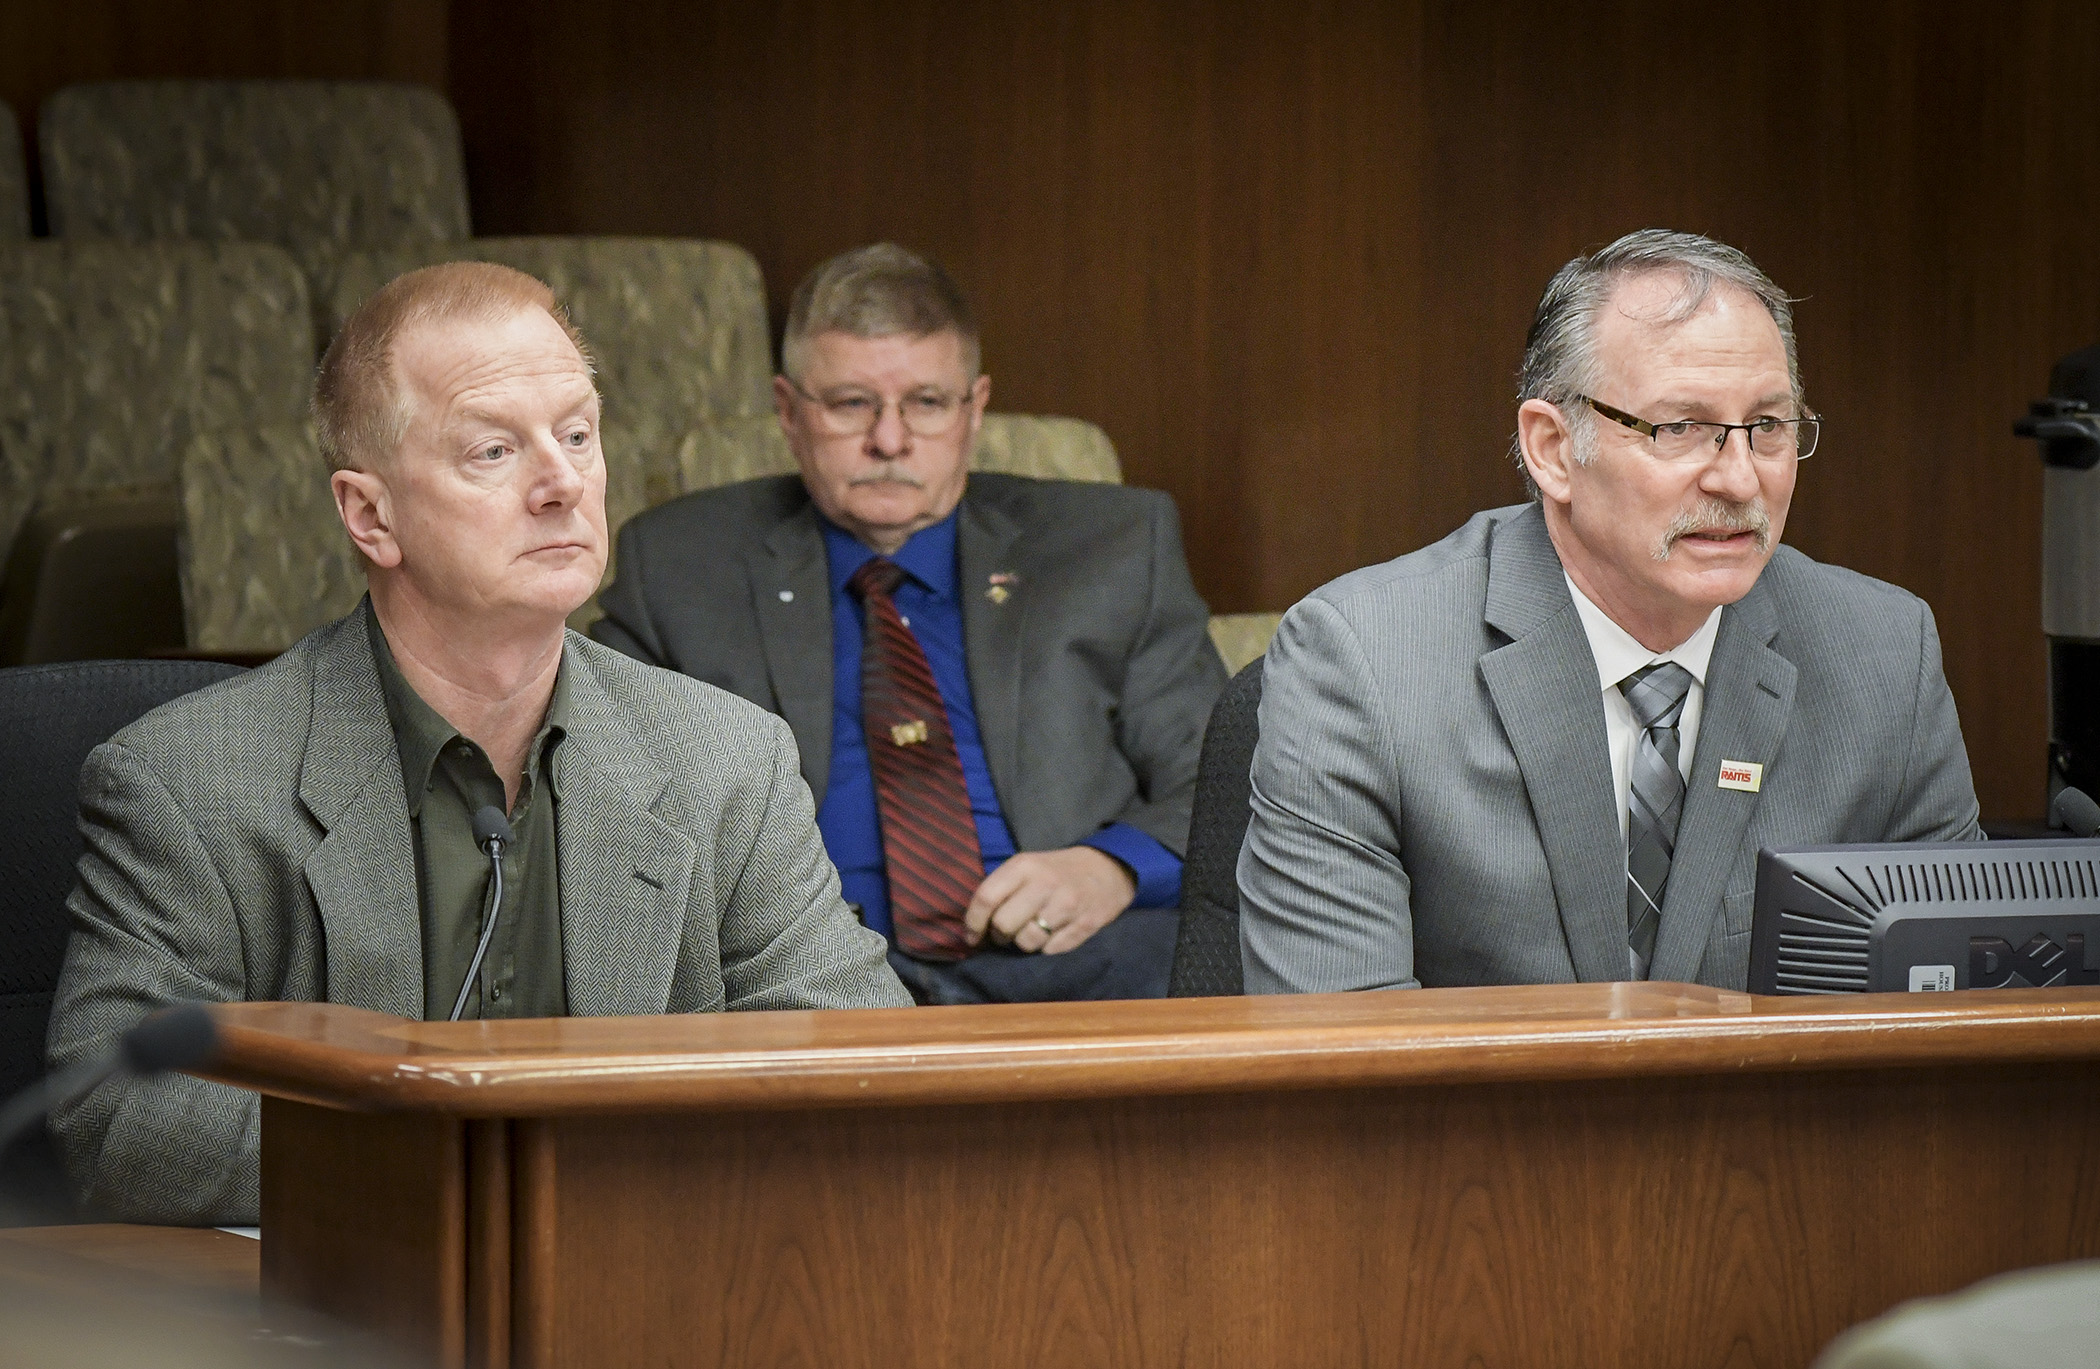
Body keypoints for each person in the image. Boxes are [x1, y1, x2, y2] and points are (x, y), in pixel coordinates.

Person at [45, 262, 910, 1225]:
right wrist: (475, 1158)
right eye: (494, 451)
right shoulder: (190, 780)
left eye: (578, 434)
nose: (563, 482)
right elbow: (115, 1115)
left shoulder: (726, 757)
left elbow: (861, 1052)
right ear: (371, 515)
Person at [1239, 229, 1981, 994]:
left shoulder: (1887, 656)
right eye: (1681, 428)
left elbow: (1965, 1019)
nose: (1737, 477)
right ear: (1554, 449)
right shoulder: (1364, 663)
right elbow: (1343, 1053)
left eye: (1767, 427)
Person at [596, 244, 1226, 1004]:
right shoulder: (680, 563)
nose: (890, 441)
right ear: (790, 413)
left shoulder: (1113, 546)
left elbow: (1222, 780)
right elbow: (596, 786)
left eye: (926, 403)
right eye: (851, 403)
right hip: (805, 983)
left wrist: (1112, 868)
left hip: (1076, 965)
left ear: (975, 408)